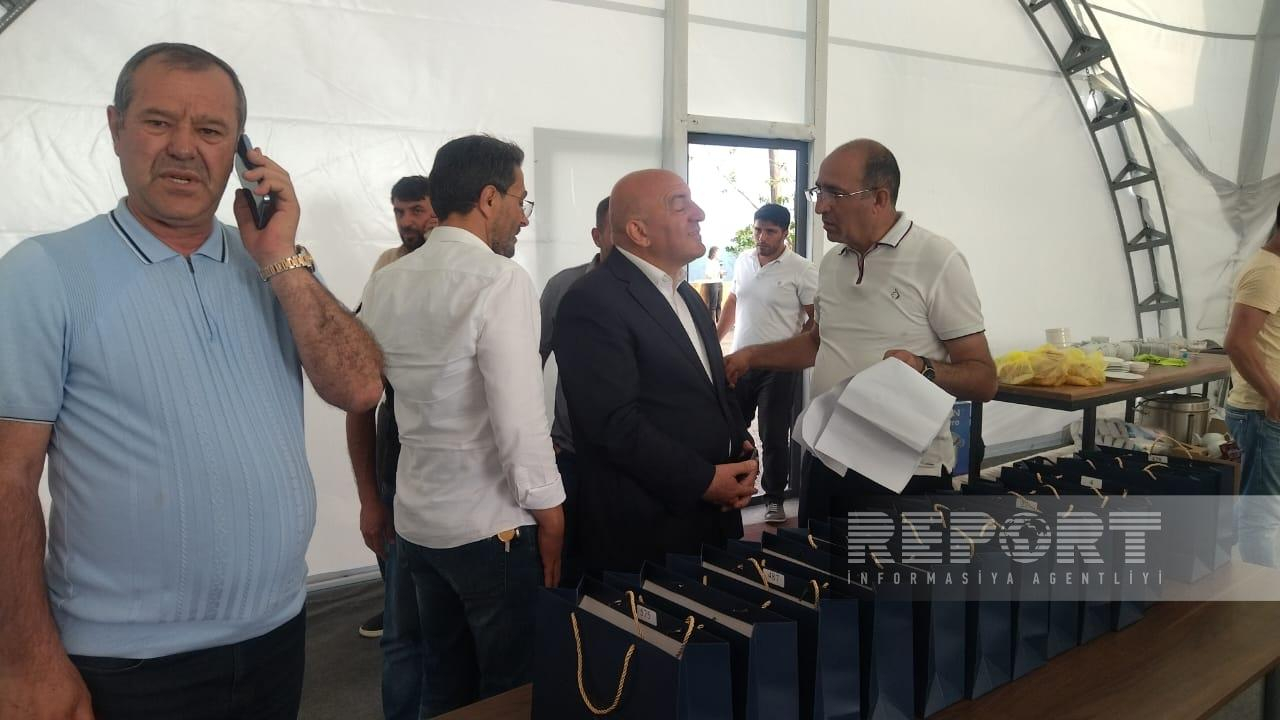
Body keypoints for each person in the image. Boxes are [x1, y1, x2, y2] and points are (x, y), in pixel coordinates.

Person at [0, 42, 383, 720]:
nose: (184, 147)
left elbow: (360, 388)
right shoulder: (43, 273)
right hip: (124, 662)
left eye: (210, 130)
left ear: (242, 151)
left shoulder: (276, 267)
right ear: (116, 126)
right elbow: (8, 478)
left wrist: (281, 257)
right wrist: (26, 662)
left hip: (277, 634)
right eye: (158, 122)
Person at [358, 134, 565, 716]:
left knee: (443, 678)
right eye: (521, 201)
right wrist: (551, 512)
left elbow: (375, 397)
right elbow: (519, 417)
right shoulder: (500, 279)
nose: (524, 218)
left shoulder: (387, 279)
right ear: (489, 198)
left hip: (419, 519)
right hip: (490, 523)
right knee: (508, 689)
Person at [725, 139, 997, 523]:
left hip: (901, 471)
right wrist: (751, 356)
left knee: (884, 565)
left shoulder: (937, 260)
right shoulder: (832, 263)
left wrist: (923, 367)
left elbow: (984, 379)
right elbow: (818, 343)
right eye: (818, 192)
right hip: (825, 456)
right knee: (817, 560)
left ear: (879, 198)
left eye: (834, 194)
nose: (820, 206)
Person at [554, 169, 759, 573]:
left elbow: (712, 389)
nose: (699, 214)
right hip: (649, 526)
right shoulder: (593, 300)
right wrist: (703, 481)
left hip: (713, 514)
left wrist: (740, 445)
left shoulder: (684, 294)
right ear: (639, 231)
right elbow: (613, 424)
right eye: (681, 205)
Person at [345, 176, 437, 719]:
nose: (406, 222)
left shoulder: (480, 271)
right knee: (405, 624)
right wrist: (369, 499)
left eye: (416, 210)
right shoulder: (387, 270)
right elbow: (361, 385)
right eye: (399, 212)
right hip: (397, 455)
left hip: (451, 474)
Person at [716, 203, 817, 524]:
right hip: (741, 361)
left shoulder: (801, 269)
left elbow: (816, 320)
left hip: (779, 368)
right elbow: (733, 301)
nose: (762, 237)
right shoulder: (744, 261)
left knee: (773, 434)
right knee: (732, 428)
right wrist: (713, 341)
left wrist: (792, 348)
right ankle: (734, 489)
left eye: (770, 232)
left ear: (785, 233)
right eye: (758, 230)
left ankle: (774, 498)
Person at [538, 195, 613, 587]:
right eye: (617, 231)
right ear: (597, 236)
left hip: (632, 458)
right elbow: (532, 358)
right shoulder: (564, 286)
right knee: (567, 562)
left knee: (618, 561)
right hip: (571, 451)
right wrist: (537, 437)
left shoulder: (664, 290)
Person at [1223, 203, 1280, 567]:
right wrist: (1274, 396)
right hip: (1262, 413)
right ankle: (1258, 599)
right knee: (1261, 517)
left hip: (1266, 411)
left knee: (1259, 506)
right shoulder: (1267, 273)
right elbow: (1237, 343)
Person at [703, 245, 725, 322]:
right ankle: (712, 323)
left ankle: (719, 322)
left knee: (719, 303)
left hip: (719, 282)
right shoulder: (709, 262)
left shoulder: (718, 262)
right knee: (713, 305)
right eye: (718, 252)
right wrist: (717, 272)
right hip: (713, 283)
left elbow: (720, 275)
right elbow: (707, 274)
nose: (719, 254)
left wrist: (721, 273)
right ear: (714, 253)